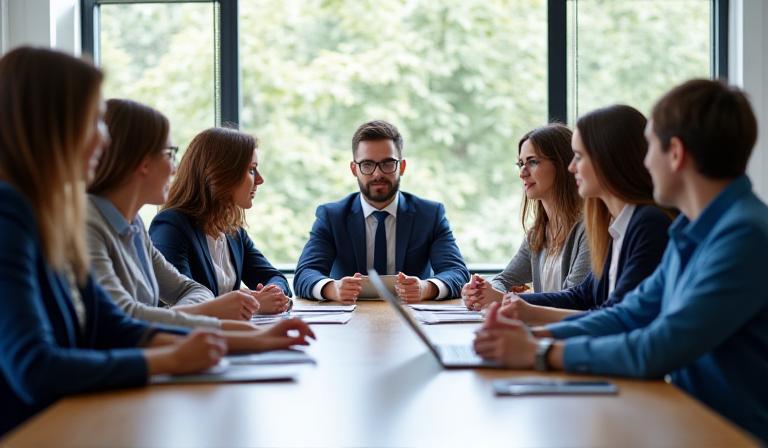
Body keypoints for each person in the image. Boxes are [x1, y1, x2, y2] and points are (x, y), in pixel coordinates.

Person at [0, 47, 314, 436]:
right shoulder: (11, 216)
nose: (103, 140)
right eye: (94, 121)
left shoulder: (52, 215)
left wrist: (251, 340)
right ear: (52, 125)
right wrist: (169, 360)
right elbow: (35, 368)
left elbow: (115, 325)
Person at [473, 79, 768, 441]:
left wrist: (540, 352)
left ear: (674, 153)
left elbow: (659, 346)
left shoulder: (743, 236)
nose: (644, 162)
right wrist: (536, 335)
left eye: (649, 148)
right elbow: (630, 313)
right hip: (688, 417)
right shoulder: (692, 230)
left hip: (730, 432)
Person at [86, 99, 286, 328]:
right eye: (170, 154)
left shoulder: (135, 225)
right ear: (143, 162)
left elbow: (191, 290)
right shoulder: (91, 224)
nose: (174, 168)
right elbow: (124, 319)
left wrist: (250, 323)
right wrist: (234, 310)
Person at [499, 105, 672, 324]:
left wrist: (536, 331)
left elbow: (619, 319)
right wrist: (512, 303)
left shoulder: (648, 224)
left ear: (609, 159)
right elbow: (582, 296)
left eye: (579, 157)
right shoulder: (616, 225)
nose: (571, 167)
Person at [293, 120, 470, 303]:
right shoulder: (332, 216)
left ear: (402, 167)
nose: (378, 174)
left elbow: (456, 272)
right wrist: (332, 289)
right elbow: (305, 274)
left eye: (388, 163)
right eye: (367, 165)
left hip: (412, 319)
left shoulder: (430, 215)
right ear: (354, 169)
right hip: (348, 322)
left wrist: (426, 288)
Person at [149, 127, 291, 314]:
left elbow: (273, 277)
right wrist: (252, 303)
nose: (260, 180)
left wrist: (274, 293)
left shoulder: (233, 230)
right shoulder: (171, 226)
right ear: (221, 174)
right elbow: (184, 304)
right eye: (251, 170)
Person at [462, 124, 589, 310]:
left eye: (533, 162)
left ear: (562, 165)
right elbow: (503, 279)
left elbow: (574, 300)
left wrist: (500, 298)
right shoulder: (537, 233)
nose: (522, 173)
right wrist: (480, 291)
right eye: (521, 164)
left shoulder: (589, 229)